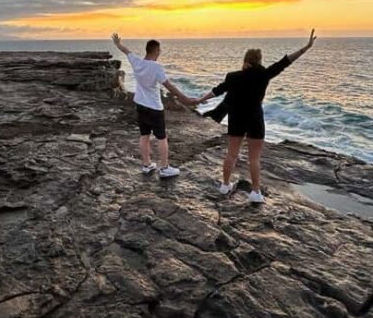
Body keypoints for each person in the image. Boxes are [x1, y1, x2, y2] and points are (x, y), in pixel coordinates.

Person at [193, 29, 317, 203]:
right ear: (259, 60)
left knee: (231, 154)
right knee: (254, 158)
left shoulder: (233, 77)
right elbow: (285, 62)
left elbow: (217, 90)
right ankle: (255, 192)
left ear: (245, 60)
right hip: (255, 119)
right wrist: (306, 47)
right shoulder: (264, 74)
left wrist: (199, 100)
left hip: (236, 118)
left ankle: (225, 185)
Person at [112, 33, 195, 178]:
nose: (160, 53)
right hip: (155, 108)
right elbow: (169, 86)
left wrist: (118, 44)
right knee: (162, 138)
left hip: (140, 105)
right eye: (159, 51)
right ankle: (164, 168)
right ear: (155, 51)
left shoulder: (137, 61)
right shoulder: (156, 67)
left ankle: (146, 164)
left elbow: (126, 51)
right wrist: (184, 99)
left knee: (144, 136)